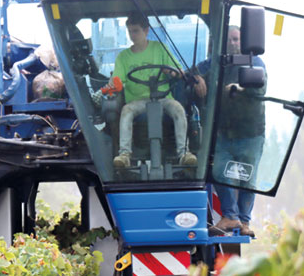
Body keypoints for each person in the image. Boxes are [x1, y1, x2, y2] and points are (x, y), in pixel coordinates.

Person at [111, 13, 197, 168]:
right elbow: (117, 80)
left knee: (178, 109)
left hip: (163, 98)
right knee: (126, 111)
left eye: (136, 31)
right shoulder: (123, 57)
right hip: (138, 101)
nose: (132, 35)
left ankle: (184, 153)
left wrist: (171, 72)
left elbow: (179, 72)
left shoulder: (160, 48)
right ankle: (124, 155)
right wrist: (114, 84)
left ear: (146, 31)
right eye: (130, 31)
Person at [211, 25, 266, 237]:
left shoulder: (255, 63)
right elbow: (198, 72)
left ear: (244, 41)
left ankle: (244, 221)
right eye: (229, 40)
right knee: (219, 171)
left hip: (250, 133)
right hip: (225, 132)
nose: (233, 43)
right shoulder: (218, 62)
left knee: (247, 178)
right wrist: (193, 78)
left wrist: (237, 87)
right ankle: (230, 216)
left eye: (236, 39)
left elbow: (258, 86)